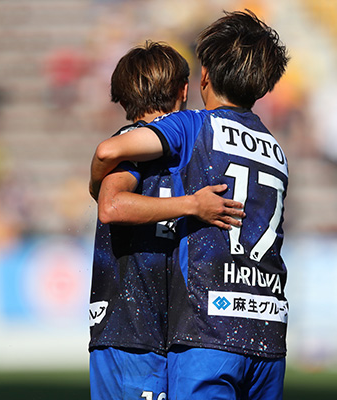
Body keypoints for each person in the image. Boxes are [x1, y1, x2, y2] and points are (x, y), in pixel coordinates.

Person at [90, 11, 290, 400]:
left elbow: (108, 158)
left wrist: (95, 185)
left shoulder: (194, 127)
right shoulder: (276, 149)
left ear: (203, 78)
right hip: (267, 326)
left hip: (207, 331)